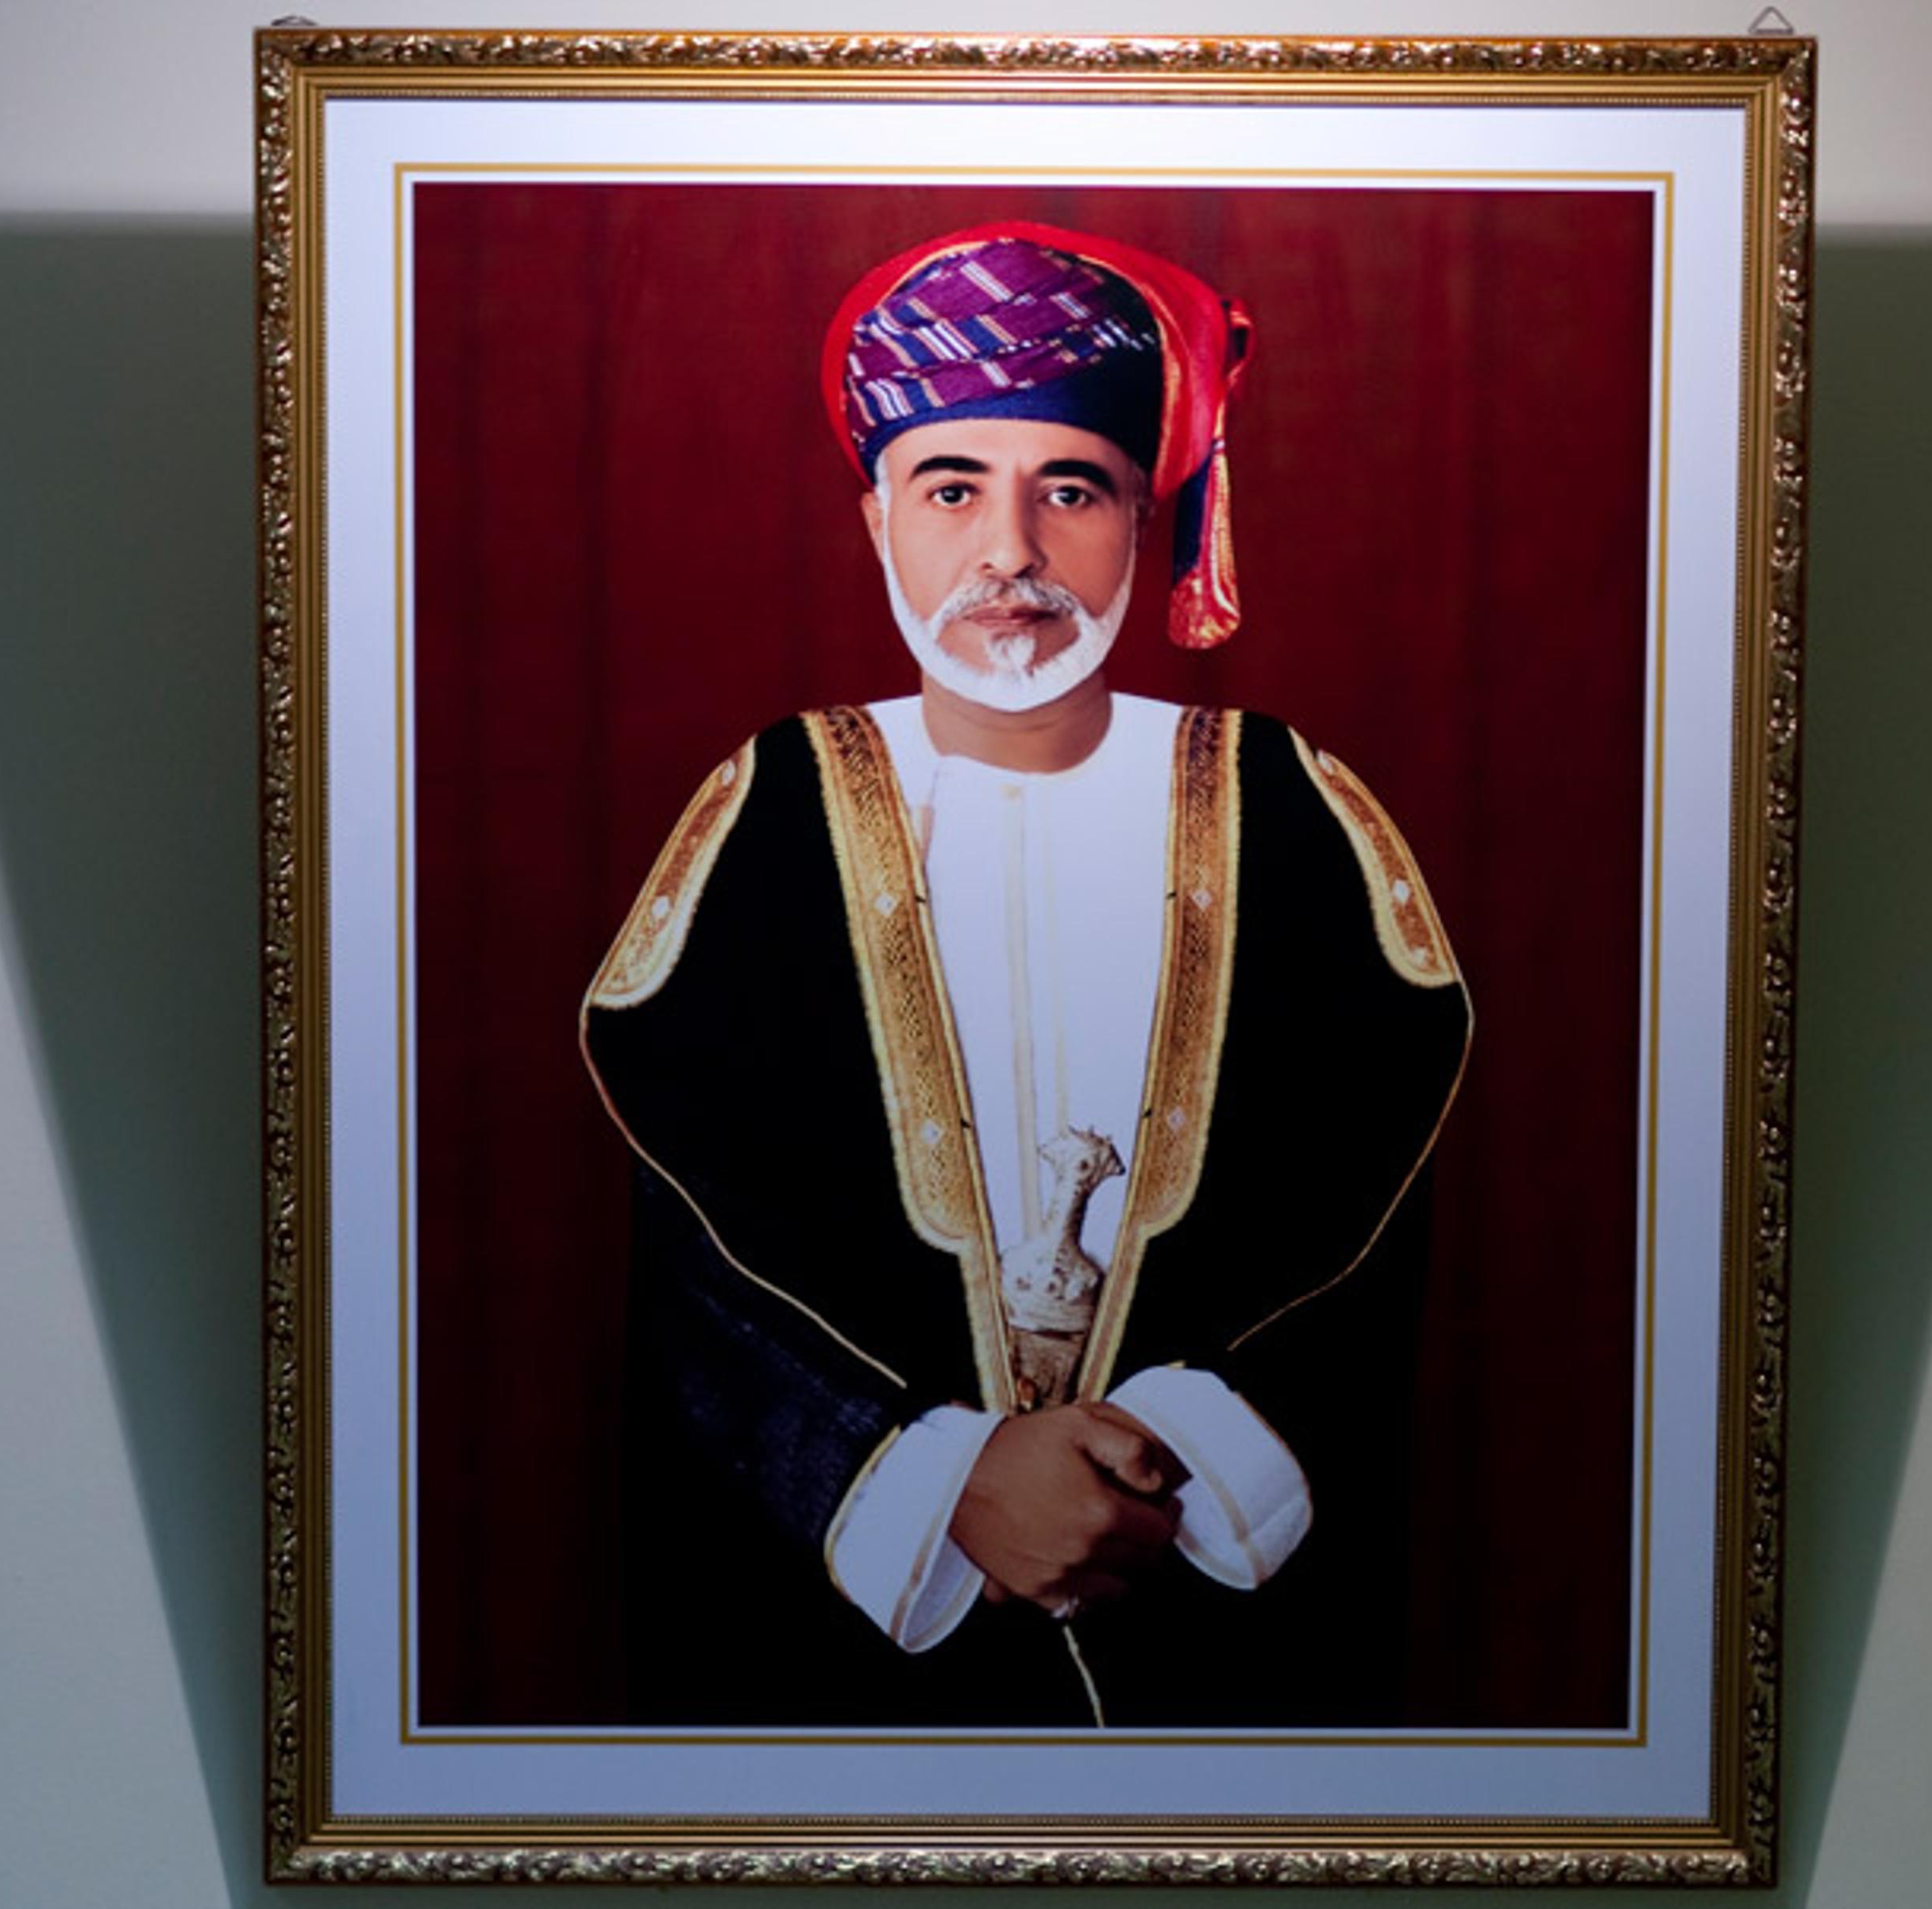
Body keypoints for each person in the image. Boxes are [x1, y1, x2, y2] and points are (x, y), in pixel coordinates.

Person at [580, 223, 1469, 1727]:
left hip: (1213, 1594)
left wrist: (1168, 1451)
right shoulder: (775, 804)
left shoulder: (1290, 804)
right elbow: (695, 1239)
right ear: (878, 522)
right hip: (833, 1629)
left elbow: (1371, 1193)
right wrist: (943, 1478)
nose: (1010, 551)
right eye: (952, 489)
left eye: (1071, 489)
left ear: (1151, 521)